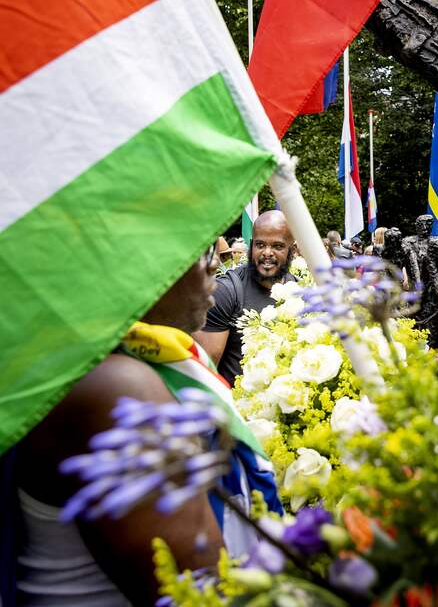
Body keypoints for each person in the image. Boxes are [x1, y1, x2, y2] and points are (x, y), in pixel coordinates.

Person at [8, 245, 281, 605]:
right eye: (199, 251)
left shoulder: (119, 359)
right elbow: (207, 593)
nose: (216, 262)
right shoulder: (117, 386)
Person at [194, 211, 296, 385]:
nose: (267, 253)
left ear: (291, 250)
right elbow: (205, 374)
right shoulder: (225, 292)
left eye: (278, 246)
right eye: (260, 245)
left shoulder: (299, 291)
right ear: (251, 246)